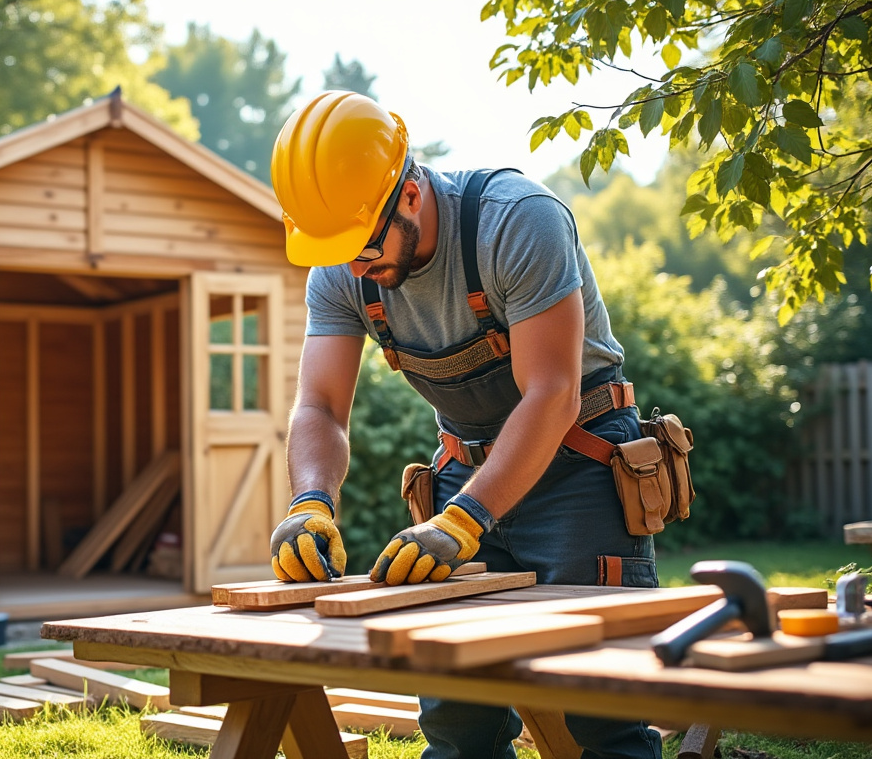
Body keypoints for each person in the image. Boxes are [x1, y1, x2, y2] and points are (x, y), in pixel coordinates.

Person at [266, 90, 662, 759]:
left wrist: (463, 519)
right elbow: (320, 407)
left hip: (581, 462)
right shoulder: (341, 263)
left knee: (602, 705)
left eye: (363, 247)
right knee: (456, 713)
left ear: (411, 195)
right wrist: (310, 501)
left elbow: (553, 392)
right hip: (463, 467)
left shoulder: (516, 222)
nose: (356, 266)